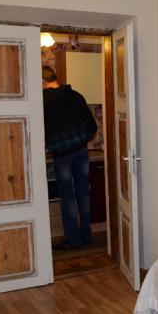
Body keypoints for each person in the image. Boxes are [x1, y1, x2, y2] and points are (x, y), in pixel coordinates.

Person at [42, 66, 98, 250]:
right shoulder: (76, 96)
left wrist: (51, 145)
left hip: (62, 155)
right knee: (83, 193)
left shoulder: (43, 102)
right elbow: (92, 126)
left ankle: (73, 240)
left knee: (68, 197)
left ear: (43, 82)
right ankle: (86, 235)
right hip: (81, 151)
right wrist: (81, 140)